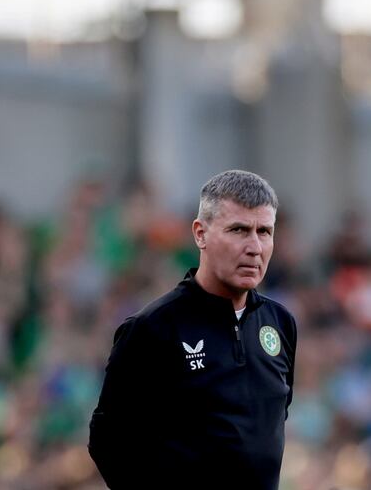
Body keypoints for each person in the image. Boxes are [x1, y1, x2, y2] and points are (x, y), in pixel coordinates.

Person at [88, 170, 297, 489]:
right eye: (239, 230)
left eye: (264, 232)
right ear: (200, 234)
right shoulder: (153, 328)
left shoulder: (280, 323)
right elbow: (107, 440)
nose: (254, 247)